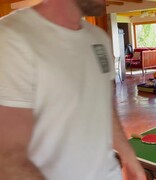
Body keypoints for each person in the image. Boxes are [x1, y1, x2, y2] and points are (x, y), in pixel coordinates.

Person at [0, 0, 145, 179]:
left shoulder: (98, 37)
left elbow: (105, 107)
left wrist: (128, 155)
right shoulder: (10, 38)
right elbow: (8, 158)